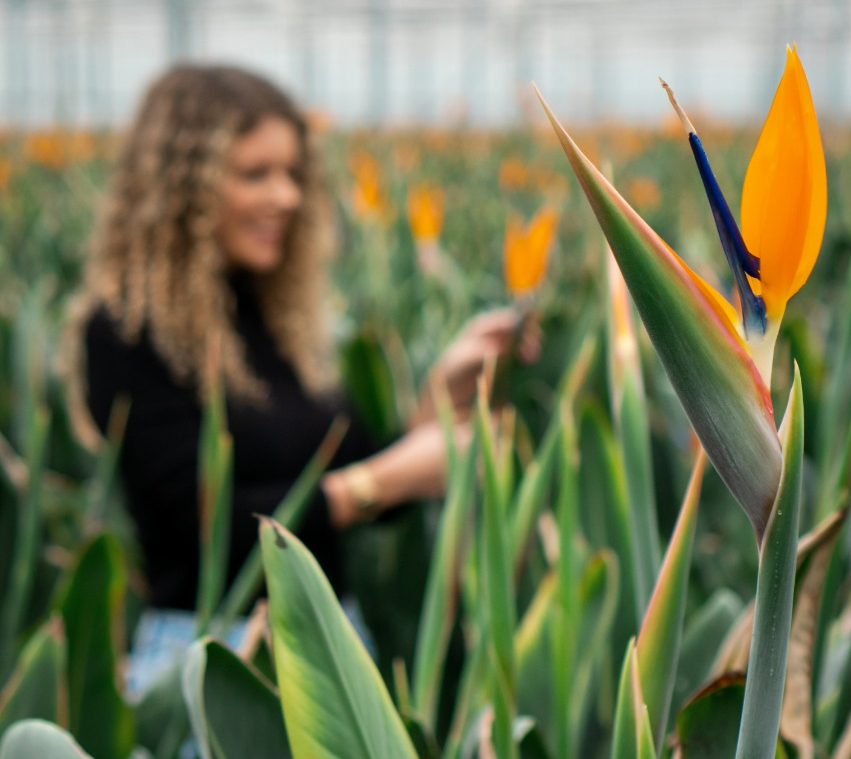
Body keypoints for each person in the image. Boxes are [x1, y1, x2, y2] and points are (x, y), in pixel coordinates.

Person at [67, 64, 531, 627]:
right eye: (255, 173)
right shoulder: (126, 329)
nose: (286, 196)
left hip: (332, 645)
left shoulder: (276, 317)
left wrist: (439, 395)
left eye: (292, 172)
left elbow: (352, 476)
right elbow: (204, 529)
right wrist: (382, 483)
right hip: (220, 660)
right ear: (182, 187)